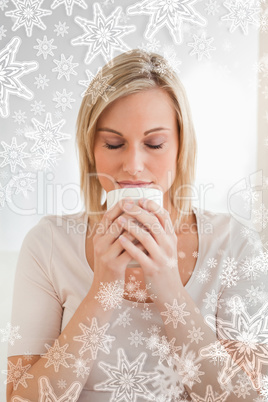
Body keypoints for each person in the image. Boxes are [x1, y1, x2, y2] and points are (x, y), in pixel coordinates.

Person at [6, 49, 267, 401]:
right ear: (91, 150)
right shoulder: (48, 244)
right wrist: (102, 291)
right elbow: (21, 398)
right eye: (114, 143)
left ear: (180, 147)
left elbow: (248, 397)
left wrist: (167, 283)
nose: (133, 165)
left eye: (154, 143)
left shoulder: (235, 246)